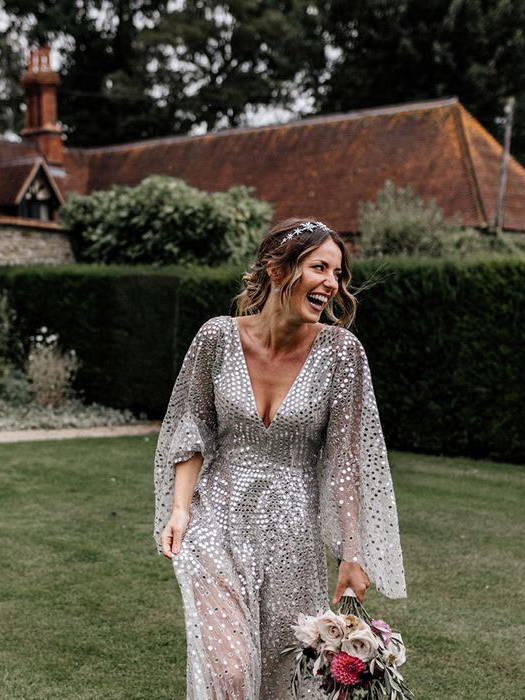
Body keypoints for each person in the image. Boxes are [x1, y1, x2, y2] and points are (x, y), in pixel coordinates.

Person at [153, 218, 406, 699]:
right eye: (319, 268)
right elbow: (192, 429)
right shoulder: (216, 338)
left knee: (280, 679)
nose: (332, 284)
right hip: (216, 525)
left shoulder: (342, 353)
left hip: (294, 536)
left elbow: (346, 463)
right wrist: (181, 509)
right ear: (276, 270)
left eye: (338, 274)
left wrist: (353, 555)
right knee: (227, 672)